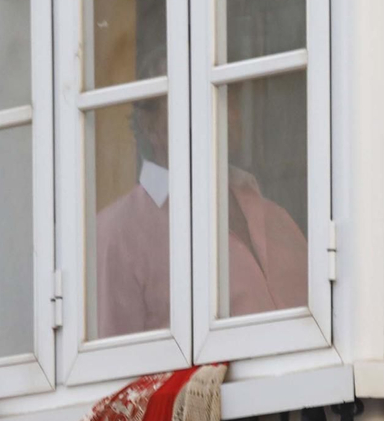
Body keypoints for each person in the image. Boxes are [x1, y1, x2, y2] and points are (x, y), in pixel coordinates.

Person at [96, 82, 308, 339]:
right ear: (151, 127)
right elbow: (115, 368)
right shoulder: (116, 234)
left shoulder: (277, 218)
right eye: (196, 95)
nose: (223, 111)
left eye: (224, 95)